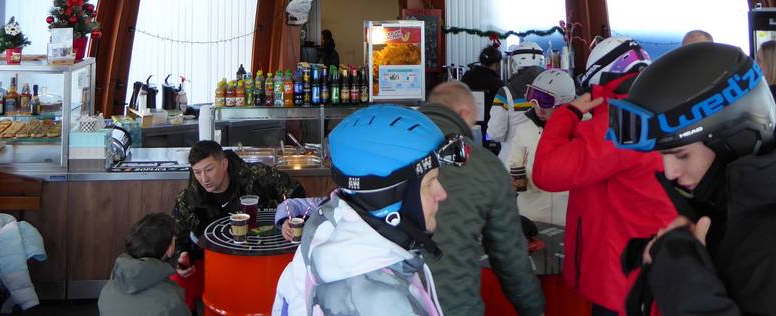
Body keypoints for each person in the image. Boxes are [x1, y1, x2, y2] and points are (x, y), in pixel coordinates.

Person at [607, 42, 776, 315]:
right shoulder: (726, 206)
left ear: (737, 140)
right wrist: (674, 254)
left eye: (682, 155)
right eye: (662, 155)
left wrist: (681, 278)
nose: (670, 172)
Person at [273, 104, 466, 315]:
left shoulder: (322, 232)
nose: (442, 194)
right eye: (429, 183)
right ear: (389, 197)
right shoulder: (387, 305)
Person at [532, 37, 675, 316]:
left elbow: (546, 173)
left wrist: (567, 114)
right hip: (655, 269)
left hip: (622, 280)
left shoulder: (619, 125)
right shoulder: (661, 114)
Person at [422, 81, 545, 316]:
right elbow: (510, 256)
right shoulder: (484, 164)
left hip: (389, 301)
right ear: (464, 114)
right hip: (456, 306)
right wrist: (533, 309)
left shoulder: (395, 149)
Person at [171, 140, 304, 309]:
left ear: (224, 164)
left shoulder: (254, 175)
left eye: (209, 170)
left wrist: (285, 218)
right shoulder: (189, 198)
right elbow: (179, 236)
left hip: (264, 257)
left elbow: (294, 190)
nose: (204, 179)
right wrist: (181, 256)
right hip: (213, 263)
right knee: (175, 283)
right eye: (197, 172)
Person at [506, 69, 575, 225]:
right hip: (530, 216)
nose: (538, 108)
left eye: (545, 101)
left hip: (567, 217)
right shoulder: (525, 129)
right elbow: (512, 163)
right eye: (533, 98)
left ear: (564, 104)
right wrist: (511, 178)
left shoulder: (582, 130)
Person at [98, 213, 190, 316]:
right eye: (174, 239)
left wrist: (172, 264)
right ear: (170, 249)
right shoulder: (172, 302)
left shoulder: (107, 291)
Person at [487, 41, 545, 164]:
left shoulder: (505, 92)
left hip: (513, 160)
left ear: (516, 63)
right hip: (545, 159)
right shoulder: (553, 89)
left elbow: (495, 134)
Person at [461, 44, 503, 131]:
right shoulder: (497, 83)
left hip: (466, 125)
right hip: (489, 129)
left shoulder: (466, 76)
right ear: (496, 64)